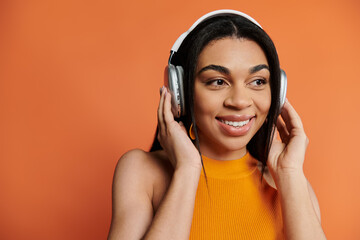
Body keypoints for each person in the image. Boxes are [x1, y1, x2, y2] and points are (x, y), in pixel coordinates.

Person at [108, 10, 326, 240]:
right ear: (180, 90)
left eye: (258, 81)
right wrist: (187, 170)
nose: (240, 101)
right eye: (218, 81)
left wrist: (289, 173)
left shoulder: (289, 182)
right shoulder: (141, 171)